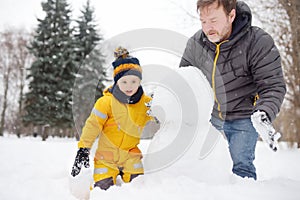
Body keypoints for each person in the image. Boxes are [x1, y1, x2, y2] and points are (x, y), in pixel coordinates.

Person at [180, 0, 286, 180]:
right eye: (203, 21)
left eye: (213, 20)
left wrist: (264, 112)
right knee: (203, 169)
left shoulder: (257, 41)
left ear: (231, 15)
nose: (208, 28)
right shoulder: (196, 44)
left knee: (241, 169)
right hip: (210, 118)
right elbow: (185, 79)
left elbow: (272, 84)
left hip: (243, 117)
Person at [71, 47, 160, 190]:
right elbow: (92, 125)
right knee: (103, 189)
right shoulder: (106, 102)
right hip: (106, 157)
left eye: (133, 81)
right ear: (117, 82)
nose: (129, 86)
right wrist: (84, 148)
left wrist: (163, 107)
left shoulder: (146, 103)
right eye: (124, 82)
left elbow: (161, 116)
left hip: (131, 155)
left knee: (139, 187)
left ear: (139, 81)